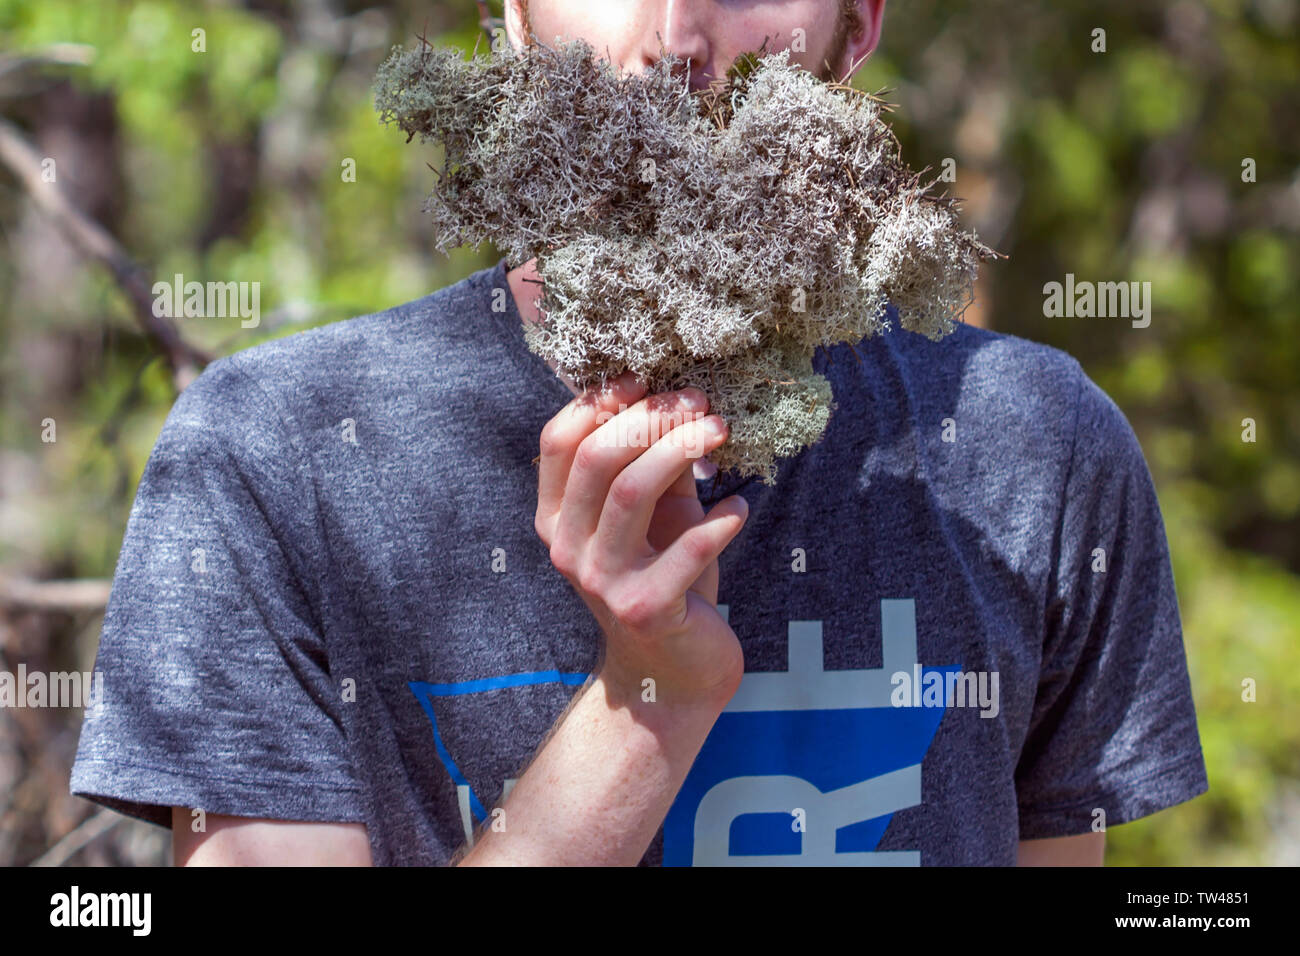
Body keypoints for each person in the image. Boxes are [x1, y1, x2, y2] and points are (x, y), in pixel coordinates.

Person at [70, 0, 1208, 866]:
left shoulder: (1035, 444)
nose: (672, 37)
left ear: (857, 23)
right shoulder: (274, 452)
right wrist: (643, 703)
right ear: (508, 13)